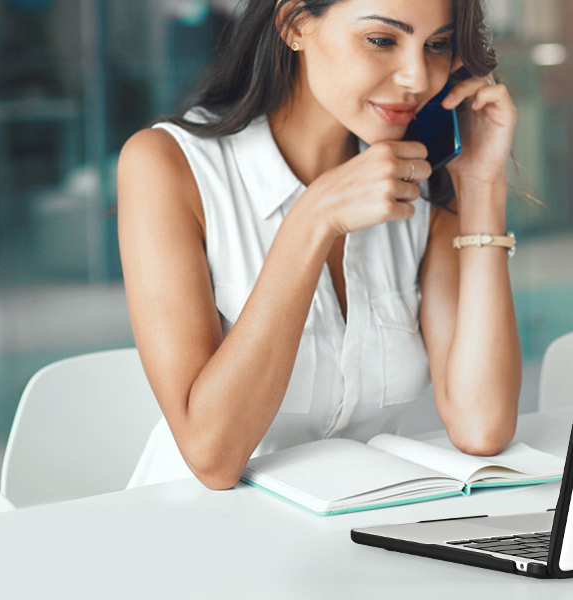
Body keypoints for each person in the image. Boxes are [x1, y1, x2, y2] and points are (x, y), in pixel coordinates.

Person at [117, 0, 520, 490]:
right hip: (195, 536)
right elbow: (211, 457)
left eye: (436, 45)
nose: (417, 77)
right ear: (293, 24)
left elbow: (482, 425)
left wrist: (481, 188)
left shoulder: (420, 182)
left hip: (346, 537)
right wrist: (313, 219)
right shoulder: (167, 166)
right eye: (382, 40)